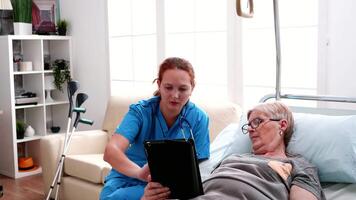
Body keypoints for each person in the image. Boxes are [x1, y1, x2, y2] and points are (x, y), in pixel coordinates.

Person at [142, 101, 326, 200]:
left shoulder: (297, 165)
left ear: (282, 125)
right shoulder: (233, 158)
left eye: (257, 122)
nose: (251, 129)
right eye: (248, 125)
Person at [100, 57, 210, 200]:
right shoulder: (140, 112)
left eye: (183, 89)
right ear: (159, 84)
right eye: (168, 87)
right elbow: (110, 151)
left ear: (192, 88)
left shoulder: (199, 118)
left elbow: (200, 164)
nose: (175, 95)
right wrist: (139, 173)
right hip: (126, 175)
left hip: (163, 184)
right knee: (111, 196)